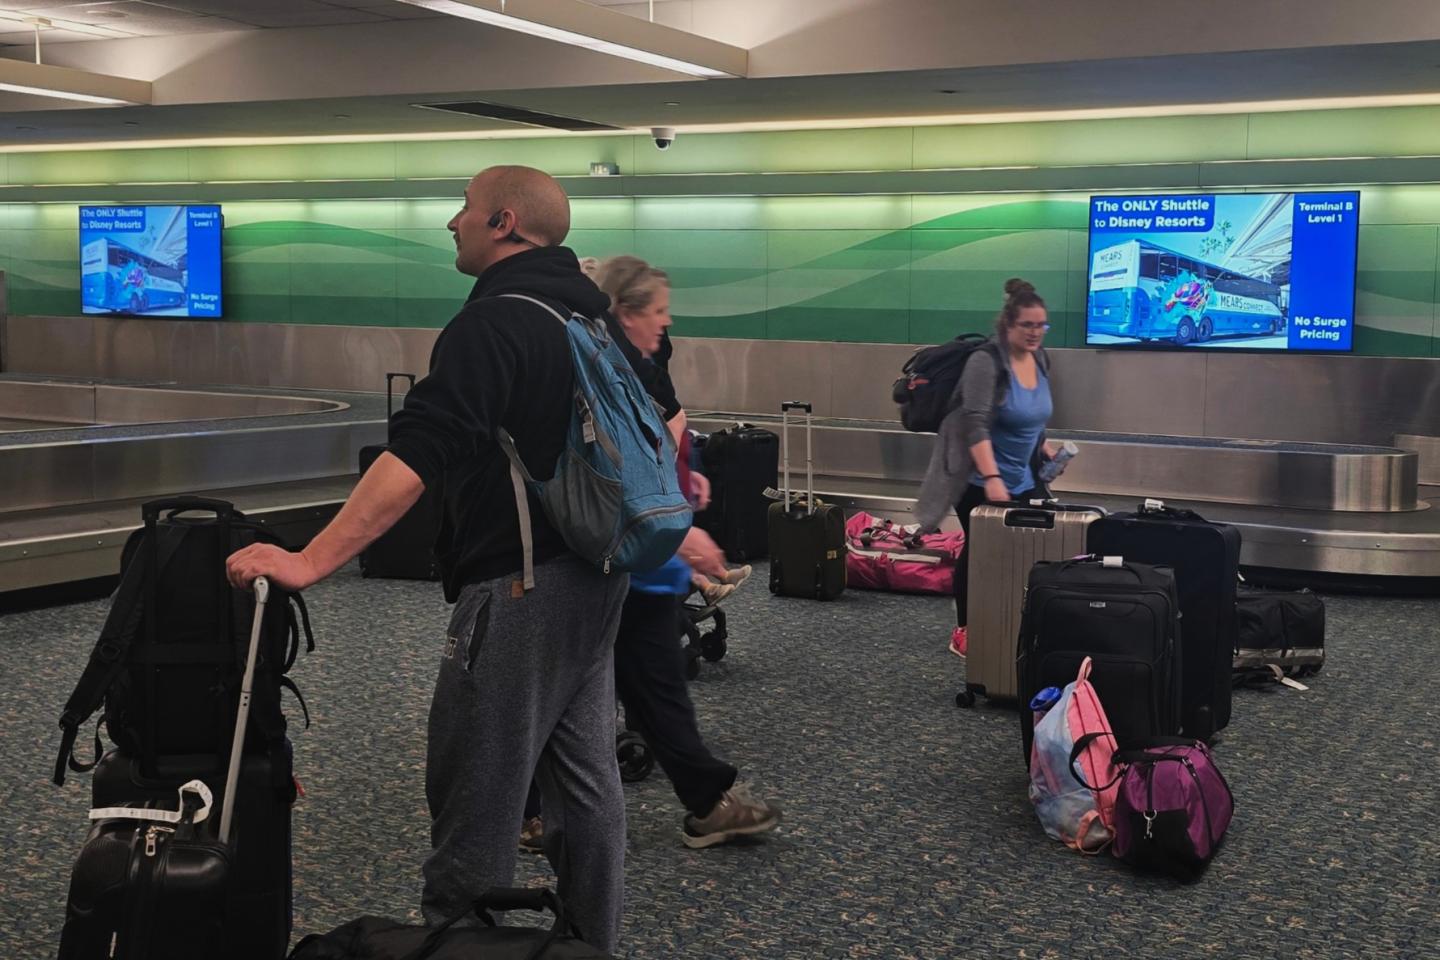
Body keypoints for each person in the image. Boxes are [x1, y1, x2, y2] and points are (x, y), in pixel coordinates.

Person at [225, 166, 723, 953]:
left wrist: (309, 560)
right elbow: (666, 423)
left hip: (520, 587)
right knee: (583, 784)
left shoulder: (496, 324)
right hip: (597, 576)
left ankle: (462, 946)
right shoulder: (589, 311)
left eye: (462, 209)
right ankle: (588, 944)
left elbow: (417, 451)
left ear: (504, 222)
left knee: (477, 792)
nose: (450, 223)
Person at [583, 253, 781, 848]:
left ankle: (706, 801)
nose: (666, 324)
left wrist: (678, 475)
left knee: (650, 682)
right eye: (659, 313)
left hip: (639, 566)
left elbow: (664, 420)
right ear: (624, 313)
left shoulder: (636, 363)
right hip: (618, 561)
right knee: (613, 683)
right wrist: (676, 530)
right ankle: (529, 810)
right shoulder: (599, 370)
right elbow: (606, 470)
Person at [915, 278, 1058, 659]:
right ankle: (965, 629)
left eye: (1041, 325)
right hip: (978, 477)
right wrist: (992, 478)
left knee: (1026, 551)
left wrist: (1044, 446)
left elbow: (1033, 411)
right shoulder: (986, 362)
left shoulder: (1040, 359)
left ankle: (1012, 622)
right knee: (981, 552)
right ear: (1007, 325)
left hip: (1023, 477)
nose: (1034, 332)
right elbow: (974, 423)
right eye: (1027, 325)